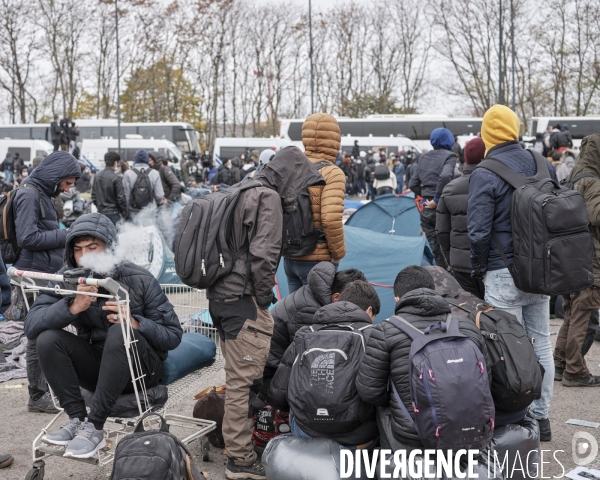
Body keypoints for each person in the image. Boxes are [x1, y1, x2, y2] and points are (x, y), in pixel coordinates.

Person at [24, 213, 182, 458]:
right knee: (48, 338)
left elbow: (173, 336)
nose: (84, 256)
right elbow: (32, 325)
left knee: (120, 330)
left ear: (109, 248)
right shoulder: (69, 278)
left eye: (92, 248)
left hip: (140, 370)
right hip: (99, 367)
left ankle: (95, 426)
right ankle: (77, 419)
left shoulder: (139, 278)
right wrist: (72, 307)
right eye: (78, 249)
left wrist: (134, 321)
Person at [207, 148, 324, 480]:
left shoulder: (242, 188)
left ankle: (239, 446)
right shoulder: (268, 198)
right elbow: (263, 256)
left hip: (220, 297)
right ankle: (241, 460)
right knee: (242, 381)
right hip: (242, 301)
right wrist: (262, 300)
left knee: (239, 374)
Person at [467, 104, 557, 442]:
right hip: (541, 269)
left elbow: (477, 230)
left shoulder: (485, 171)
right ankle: (542, 418)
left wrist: (478, 267)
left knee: (505, 347)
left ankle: (514, 420)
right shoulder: (542, 162)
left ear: (488, 134)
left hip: (502, 270)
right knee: (539, 344)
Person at [356, 266, 490, 449]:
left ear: (397, 298)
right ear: (433, 291)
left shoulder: (385, 331)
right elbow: (486, 379)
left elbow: (370, 392)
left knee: (383, 410)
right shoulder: (467, 327)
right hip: (469, 428)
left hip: (414, 434)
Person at [267, 280, 379, 447]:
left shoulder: (306, 333)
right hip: (355, 436)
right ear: (369, 310)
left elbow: (277, 395)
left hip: (306, 430)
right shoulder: (373, 335)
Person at [13, 151, 81, 413]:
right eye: (66, 183)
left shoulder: (40, 193)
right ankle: (37, 395)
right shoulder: (30, 194)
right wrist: (66, 235)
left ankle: (45, 389)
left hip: (42, 273)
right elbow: (27, 238)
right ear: (55, 176)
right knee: (36, 334)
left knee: (46, 330)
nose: (66, 189)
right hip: (32, 276)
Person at [553, 134, 600, 387]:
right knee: (583, 314)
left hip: (572, 258)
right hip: (590, 260)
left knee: (571, 313)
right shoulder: (593, 182)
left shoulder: (574, 179)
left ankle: (560, 363)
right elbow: (595, 215)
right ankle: (575, 371)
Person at [264, 264, 367, 379]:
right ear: (337, 297)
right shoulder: (310, 310)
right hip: (270, 366)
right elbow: (303, 355)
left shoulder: (316, 294)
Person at [283, 113, 346, 293]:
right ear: (334, 138)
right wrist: (337, 253)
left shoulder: (290, 168)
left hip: (290, 255)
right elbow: (330, 219)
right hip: (317, 260)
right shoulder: (332, 173)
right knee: (318, 316)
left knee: (294, 313)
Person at [435, 137, 486, 299]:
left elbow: (441, 231)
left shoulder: (450, 189)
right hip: (489, 263)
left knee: (469, 311)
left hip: (460, 264)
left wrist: (451, 259)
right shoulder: (494, 185)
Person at [408, 128, 456, 269]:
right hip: (441, 206)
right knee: (448, 246)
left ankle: (441, 275)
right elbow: (446, 176)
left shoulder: (423, 157)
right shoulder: (450, 156)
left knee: (435, 249)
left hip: (425, 208)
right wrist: (436, 199)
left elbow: (412, 184)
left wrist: (425, 195)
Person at [122, 150, 165, 215]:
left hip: (134, 212)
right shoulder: (155, 173)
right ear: (147, 159)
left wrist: (126, 212)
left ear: (135, 159)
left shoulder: (128, 174)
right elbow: (159, 195)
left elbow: (126, 196)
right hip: (150, 211)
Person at [92, 151, 128, 226]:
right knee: (115, 236)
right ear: (115, 162)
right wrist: (124, 212)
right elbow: (121, 198)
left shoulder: (97, 176)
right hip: (114, 213)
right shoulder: (116, 178)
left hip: (101, 213)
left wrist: (99, 206)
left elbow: (93, 196)